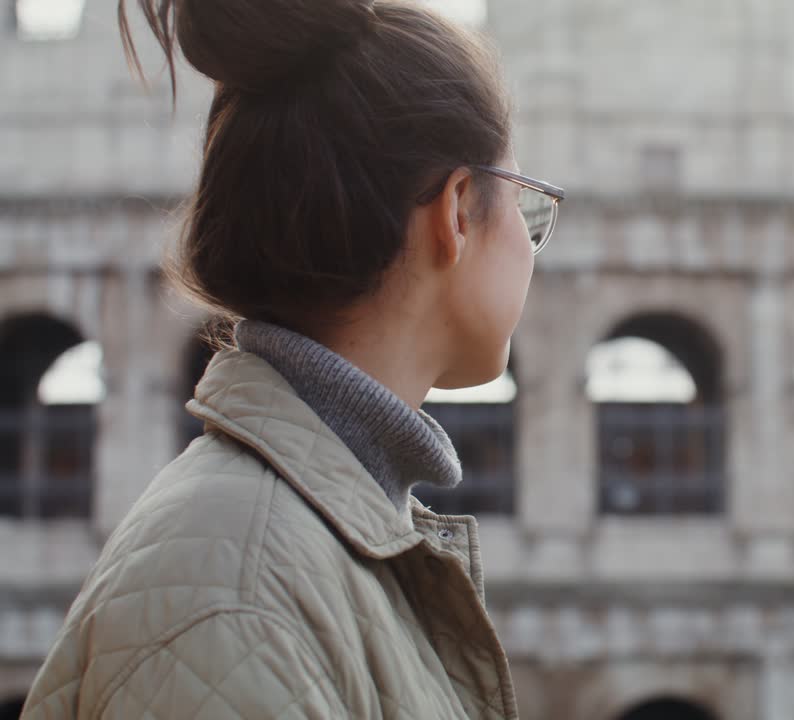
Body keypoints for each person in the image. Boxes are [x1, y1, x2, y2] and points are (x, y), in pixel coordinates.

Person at [21, 0, 562, 717]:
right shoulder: (239, 599)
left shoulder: (294, 549)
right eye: (527, 206)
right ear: (457, 211)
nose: (531, 249)